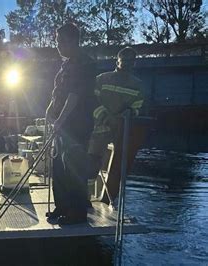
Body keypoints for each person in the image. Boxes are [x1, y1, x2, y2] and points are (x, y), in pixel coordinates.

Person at [46, 23, 97, 225]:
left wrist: (60, 120)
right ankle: (62, 207)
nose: (57, 45)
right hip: (62, 126)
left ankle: (77, 213)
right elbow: (58, 93)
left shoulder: (85, 64)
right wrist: (49, 111)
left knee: (73, 168)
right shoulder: (66, 64)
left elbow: (74, 95)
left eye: (60, 41)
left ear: (72, 40)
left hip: (76, 125)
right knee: (58, 167)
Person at [87, 47, 144, 173]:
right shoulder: (102, 79)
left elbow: (138, 107)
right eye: (124, 60)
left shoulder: (138, 85)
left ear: (134, 63)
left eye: (131, 60)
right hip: (97, 131)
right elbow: (91, 100)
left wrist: (129, 113)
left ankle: (107, 192)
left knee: (114, 170)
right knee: (91, 166)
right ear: (117, 61)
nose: (127, 63)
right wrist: (105, 117)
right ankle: (87, 192)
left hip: (119, 134)